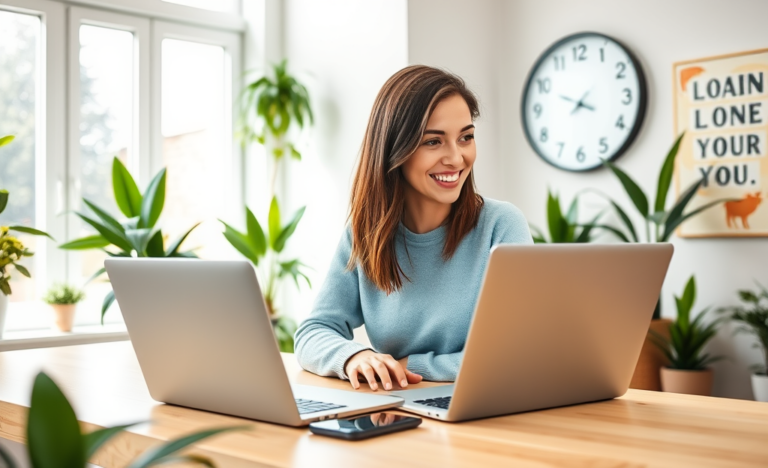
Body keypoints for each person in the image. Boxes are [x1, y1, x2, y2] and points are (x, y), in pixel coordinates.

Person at [294, 65, 532, 391]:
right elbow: (313, 332)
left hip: (485, 408)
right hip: (402, 411)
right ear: (395, 149)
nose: (456, 157)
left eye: (466, 137)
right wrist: (354, 358)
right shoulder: (366, 233)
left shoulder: (501, 225)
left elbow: (516, 353)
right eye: (433, 142)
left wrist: (412, 366)